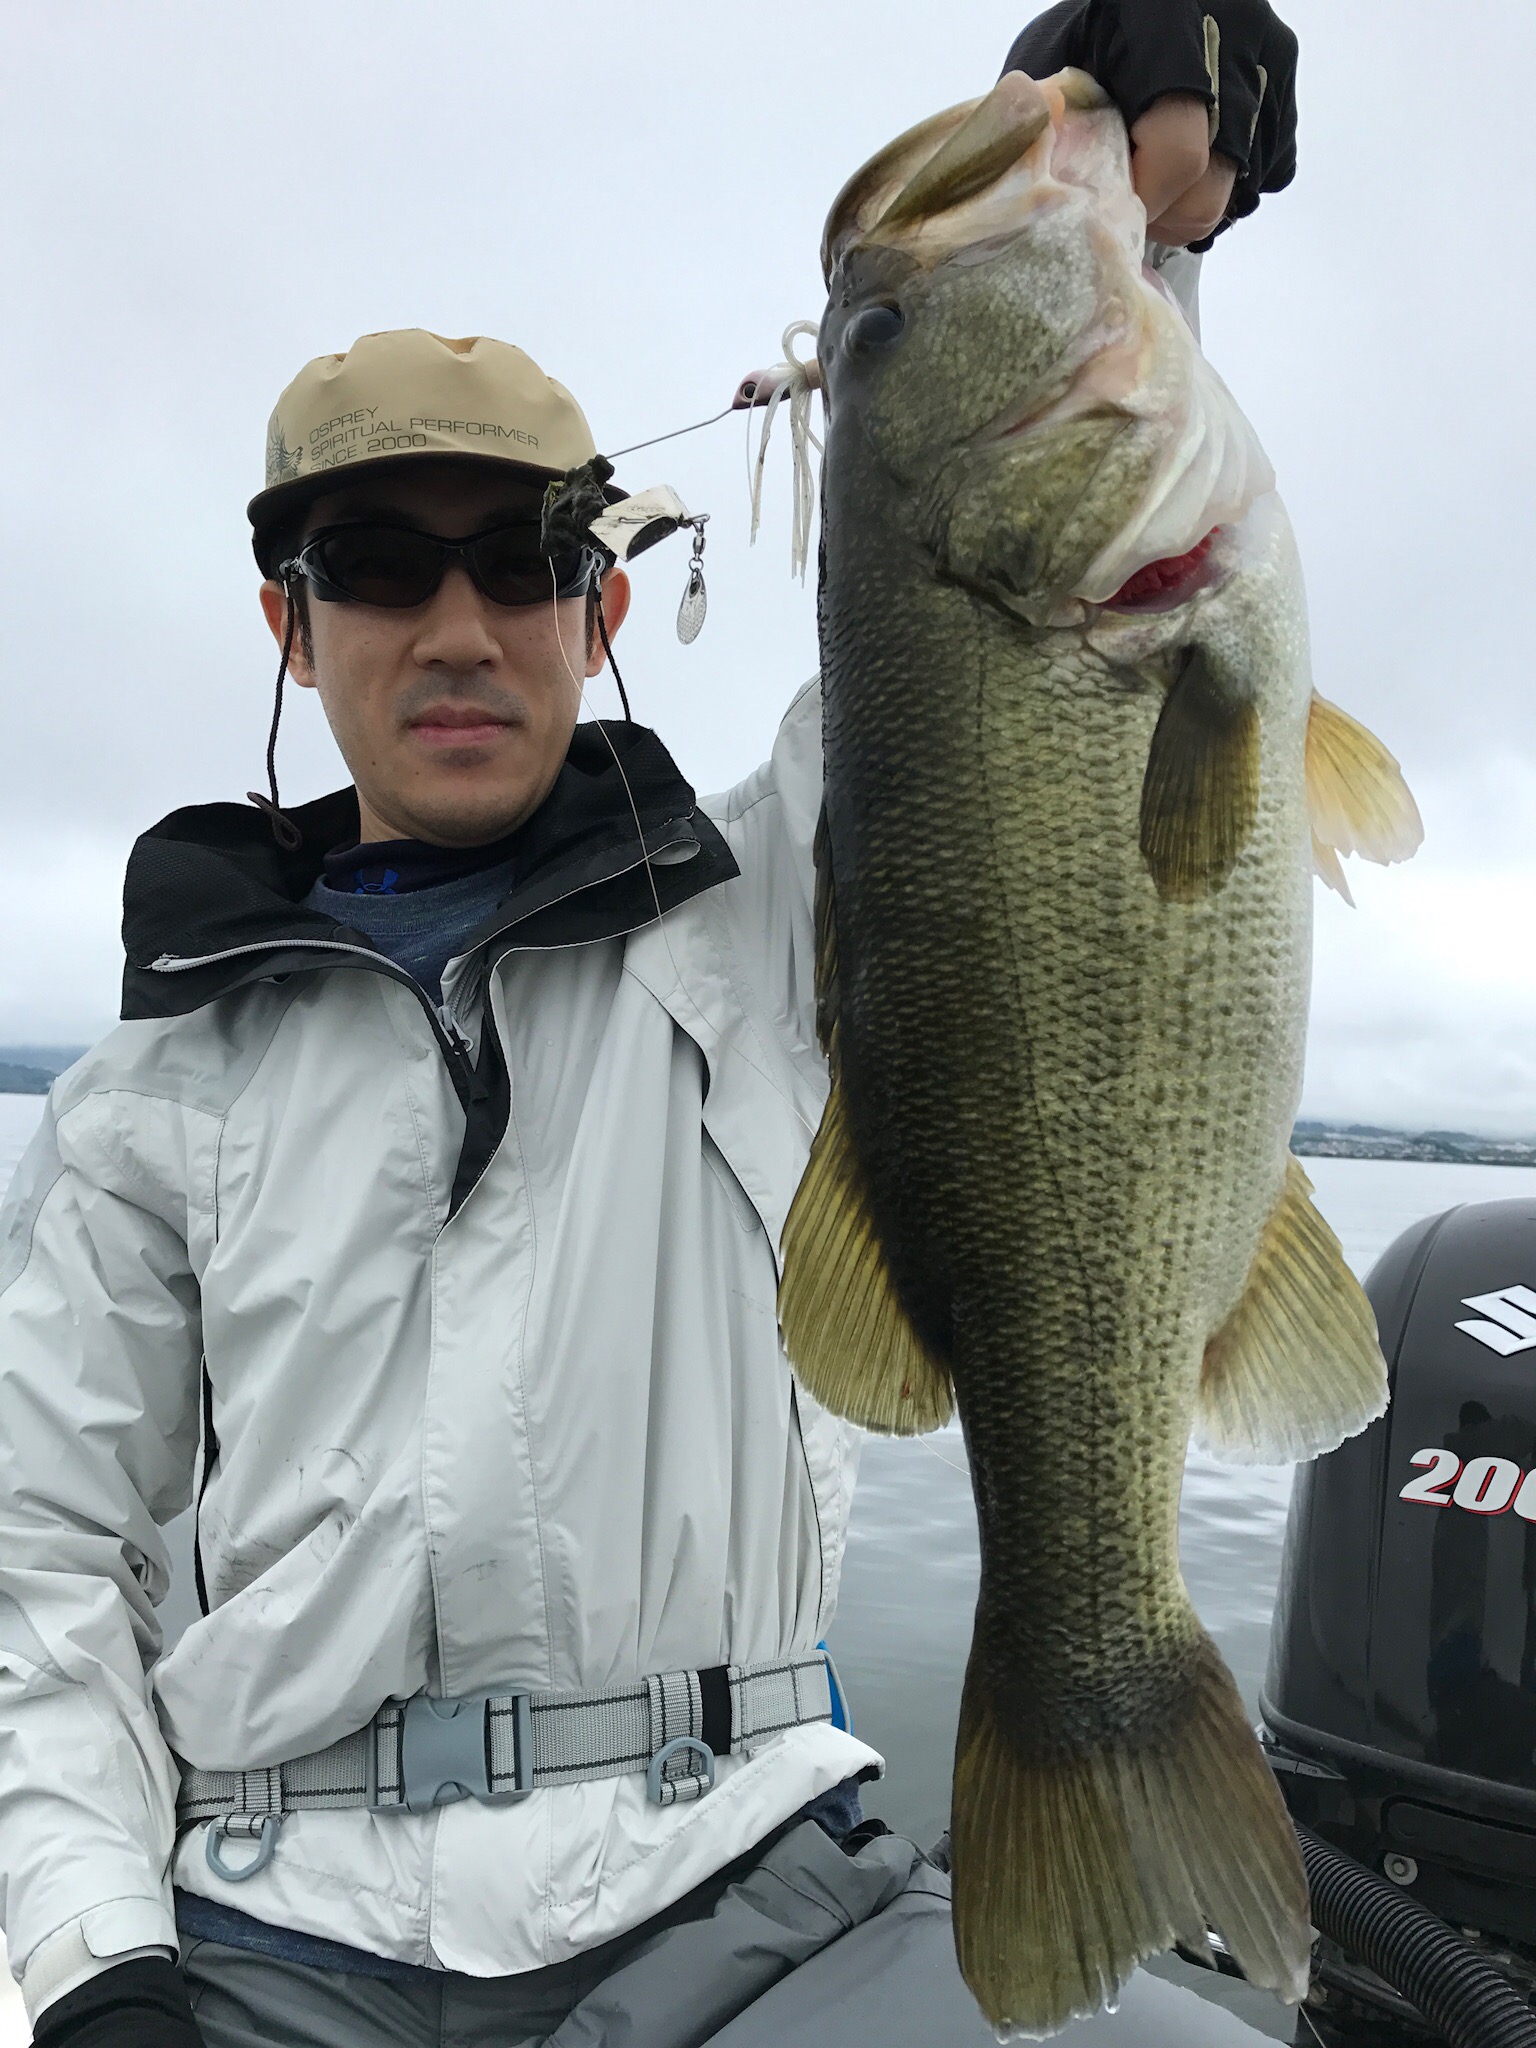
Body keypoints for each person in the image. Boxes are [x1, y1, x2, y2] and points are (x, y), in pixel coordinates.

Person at [0, 10, 1299, 2047]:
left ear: (601, 603)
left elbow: (1031, 644)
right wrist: (97, 1965)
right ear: (291, 624)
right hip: (270, 1937)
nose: (458, 626)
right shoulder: (148, 1093)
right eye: (378, 563)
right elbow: (44, 1555)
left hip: (751, 1889)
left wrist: (1151, 214)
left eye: (523, 558)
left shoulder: (772, 903)